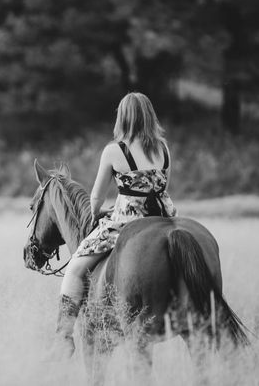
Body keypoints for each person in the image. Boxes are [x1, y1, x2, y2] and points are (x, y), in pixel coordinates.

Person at [50, 92, 177, 358]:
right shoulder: (164, 148)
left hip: (128, 221)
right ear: (149, 115)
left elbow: (96, 196)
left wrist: (96, 214)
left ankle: (63, 337)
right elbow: (162, 187)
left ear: (123, 117)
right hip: (164, 219)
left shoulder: (114, 150)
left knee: (75, 268)